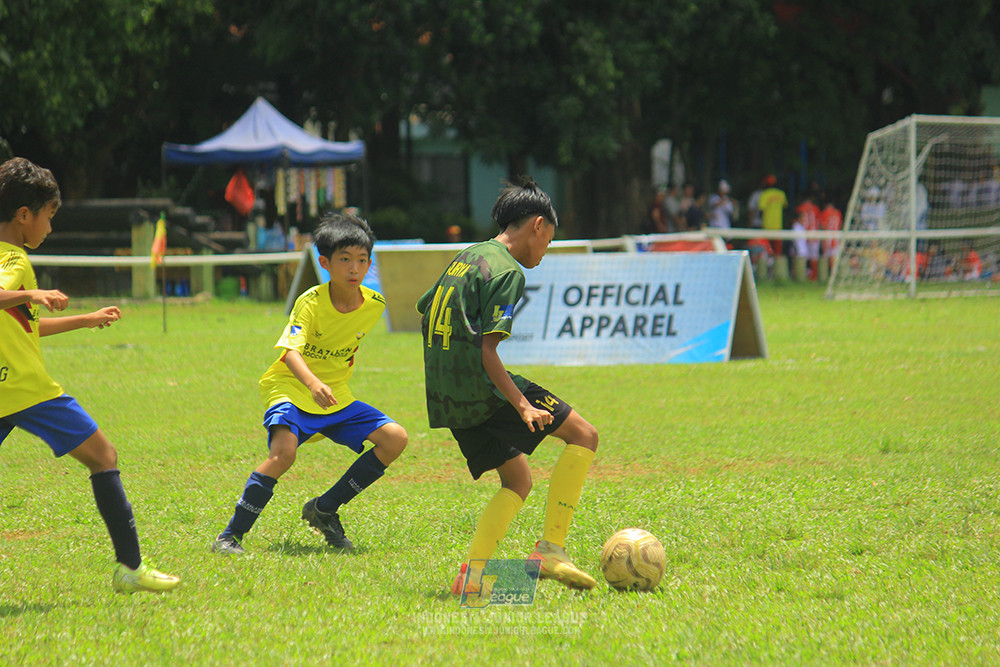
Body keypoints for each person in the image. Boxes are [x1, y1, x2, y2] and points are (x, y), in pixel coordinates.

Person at [0, 157, 179, 593]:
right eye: (49, 217)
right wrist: (32, 291)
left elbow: (23, 326)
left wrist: (85, 319)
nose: (50, 228)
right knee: (104, 456)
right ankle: (130, 569)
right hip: (27, 390)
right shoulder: (14, 258)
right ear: (24, 216)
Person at [416, 178, 600, 595]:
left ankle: (473, 578)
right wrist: (521, 405)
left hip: (446, 396)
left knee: (518, 481)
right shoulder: (507, 271)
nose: (545, 252)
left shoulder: (468, 255)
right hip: (482, 389)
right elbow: (487, 351)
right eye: (548, 241)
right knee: (585, 436)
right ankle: (551, 549)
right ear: (537, 225)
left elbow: (425, 308)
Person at [212, 212, 408, 555]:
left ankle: (324, 509)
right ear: (324, 263)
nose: (354, 269)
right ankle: (229, 537)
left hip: (335, 396)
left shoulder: (374, 305)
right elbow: (290, 353)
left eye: (362, 261)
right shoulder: (311, 302)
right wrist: (314, 383)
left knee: (394, 438)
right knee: (283, 454)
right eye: (344, 260)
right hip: (291, 386)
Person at [758, 174, 787, 256]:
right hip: (778, 226)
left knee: (765, 251)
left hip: (766, 226)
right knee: (778, 252)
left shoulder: (765, 194)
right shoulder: (781, 194)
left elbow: (761, 211)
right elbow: (785, 209)